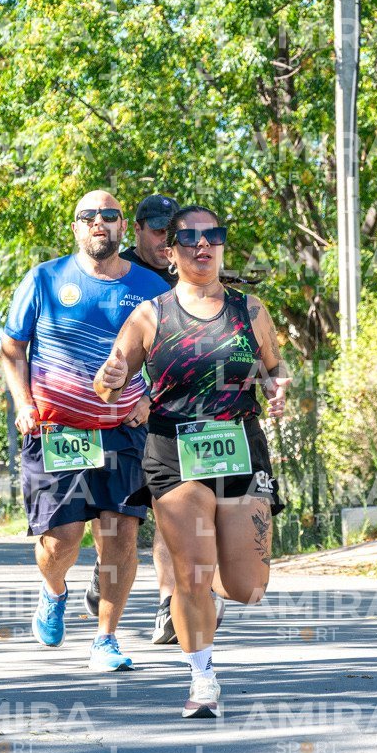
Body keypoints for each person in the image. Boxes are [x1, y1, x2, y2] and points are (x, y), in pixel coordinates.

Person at [95, 205, 290, 719]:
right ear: (171, 250)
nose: (202, 246)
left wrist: (278, 385)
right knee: (191, 573)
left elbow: (274, 366)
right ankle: (202, 679)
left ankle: (212, 598)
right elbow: (108, 377)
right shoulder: (150, 315)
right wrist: (112, 378)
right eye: (189, 238)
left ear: (222, 245)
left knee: (248, 587)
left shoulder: (251, 310)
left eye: (213, 236)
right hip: (173, 450)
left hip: (241, 446)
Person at [0, 190, 168, 671]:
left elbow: (170, 353)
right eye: (88, 216)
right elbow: (12, 349)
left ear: (122, 228)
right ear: (75, 227)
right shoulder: (46, 278)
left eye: (109, 215)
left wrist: (151, 397)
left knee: (118, 535)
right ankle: (54, 590)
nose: (99, 222)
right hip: (56, 431)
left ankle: (106, 639)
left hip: (121, 430)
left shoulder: (151, 285)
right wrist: (23, 403)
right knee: (63, 539)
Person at [84, 193, 182, 641]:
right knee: (116, 519)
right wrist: (128, 392)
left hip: (169, 409)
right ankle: (105, 573)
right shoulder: (113, 271)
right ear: (137, 229)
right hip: (116, 414)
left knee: (172, 508)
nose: (167, 240)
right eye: (159, 230)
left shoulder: (191, 268)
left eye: (173, 231)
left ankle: (168, 603)